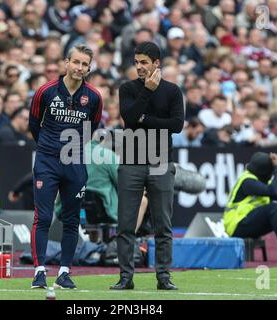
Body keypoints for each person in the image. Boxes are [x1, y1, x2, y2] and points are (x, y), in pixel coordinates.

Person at [111, 41, 184, 291]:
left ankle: (164, 277)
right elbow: (131, 120)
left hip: (161, 163)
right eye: (137, 62)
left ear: (156, 63)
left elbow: (176, 126)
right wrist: (147, 92)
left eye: (144, 62)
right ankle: (125, 278)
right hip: (131, 163)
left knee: (163, 225)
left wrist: (146, 119)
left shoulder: (173, 91)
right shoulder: (128, 88)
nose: (139, 67)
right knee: (125, 224)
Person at [28, 44, 102, 289]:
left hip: (75, 163)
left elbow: (92, 127)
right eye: (76, 62)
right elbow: (34, 124)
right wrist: (50, 148)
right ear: (66, 62)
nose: (80, 68)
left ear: (88, 68)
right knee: (44, 216)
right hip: (47, 162)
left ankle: (64, 272)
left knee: (71, 220)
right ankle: (39, 272)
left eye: (85, 65)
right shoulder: (46, 91)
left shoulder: (93, 97)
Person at [224, 152, 277, 264]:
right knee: (275, 208)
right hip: (237, 226)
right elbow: (273, 192)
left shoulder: (263, 182)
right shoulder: (248, 182)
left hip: (252, 223)